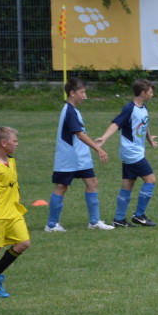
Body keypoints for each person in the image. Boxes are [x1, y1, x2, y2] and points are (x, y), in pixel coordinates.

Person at [46, 77, 112, 232]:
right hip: (69, 157)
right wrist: (98, 149)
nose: (84, 96)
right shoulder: (69, 111)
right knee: (61, 186)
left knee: (92, 182)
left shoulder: (73, 110)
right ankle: (51, 225)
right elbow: (79, 134)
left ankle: (94, 222)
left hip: (81, 157)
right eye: (82, 92)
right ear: (72, 93)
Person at [96, 79, 158, 227]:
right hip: (132, 152)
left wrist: (149, 138)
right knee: (150, 180)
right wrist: (104, 138)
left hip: (133, 151)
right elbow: (116, 124)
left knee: (128, 183)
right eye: (150, 92)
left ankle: (119, 219)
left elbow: (144, 124)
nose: (152, 95)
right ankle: (139, 215)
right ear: (143, 93)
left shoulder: (143, 107)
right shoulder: (129, 108)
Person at [0, 127, 31, 298]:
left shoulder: (12, 161)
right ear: (4, 143)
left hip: (14, 212)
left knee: (24, 242)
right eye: (14, 141)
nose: (17, 144)